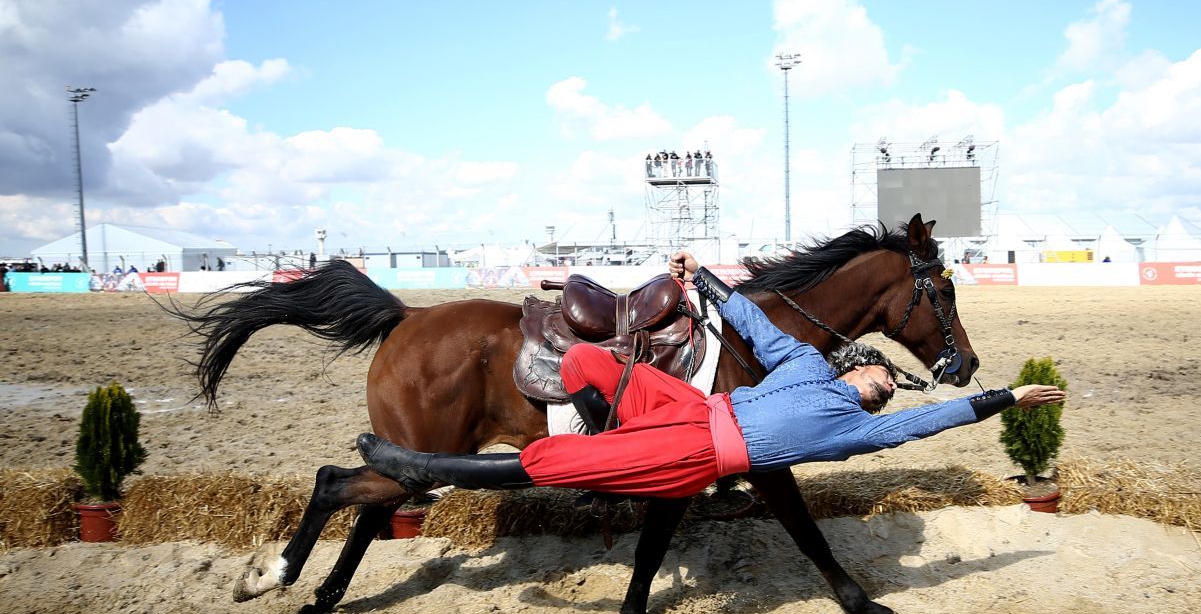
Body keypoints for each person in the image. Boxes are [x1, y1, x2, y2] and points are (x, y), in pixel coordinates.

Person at [356, 253, 1066, 499]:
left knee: (547, 465)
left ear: (874, 403)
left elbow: (923, 421)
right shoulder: (808, 365)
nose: (882, 381)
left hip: (699, 449)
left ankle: (412, 464)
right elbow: (756, 326)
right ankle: (583, 420)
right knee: (580, 361)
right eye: (880, 373)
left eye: (883, 386)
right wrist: (709, 279)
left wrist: (1000, 400)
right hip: (688, 412)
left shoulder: (855, 429)